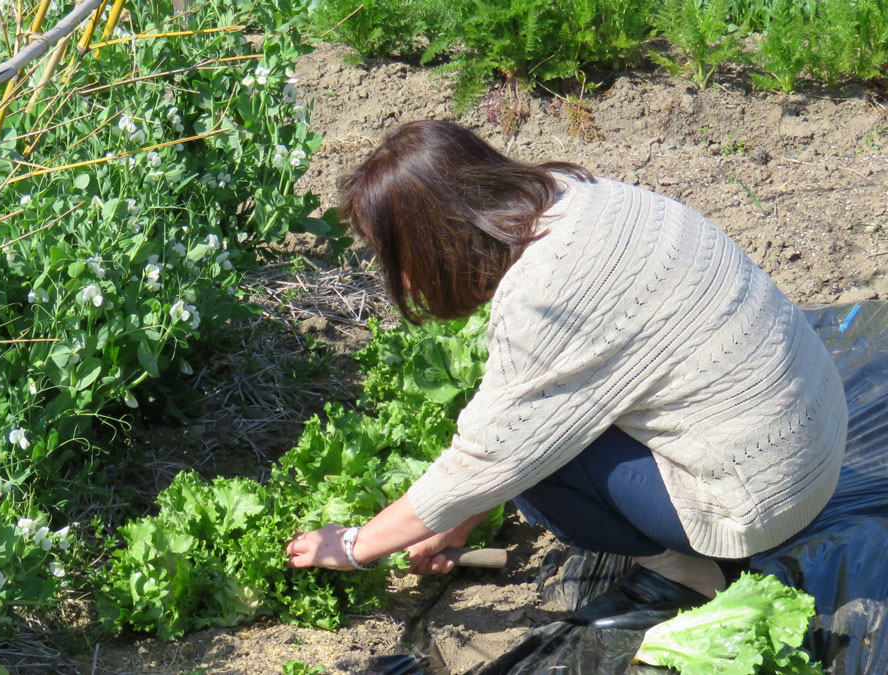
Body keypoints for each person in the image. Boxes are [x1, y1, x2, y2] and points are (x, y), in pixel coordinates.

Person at [283, 120, 847, 620]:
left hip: (762, 496)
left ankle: (693, 575)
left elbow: (499, 453)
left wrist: (358, 544)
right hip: (815, 432)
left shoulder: (542, 294)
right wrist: (455, 523)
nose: (400, 278)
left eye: (395, 257)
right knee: (543, 433)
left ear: (433, 242)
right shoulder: (584, 198)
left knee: (540, 472)